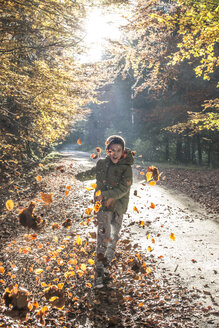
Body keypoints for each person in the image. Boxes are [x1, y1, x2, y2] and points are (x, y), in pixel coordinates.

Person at [76, 135, 134, 288]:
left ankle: (106, 266)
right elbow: (92, 172)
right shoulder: (102, 164)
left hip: (119, 208)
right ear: (107, 151)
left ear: (123, 152)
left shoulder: (127, 168)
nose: (115, 154)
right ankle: (99, 274)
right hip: (103, 208)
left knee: (113, 238)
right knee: (103, 238)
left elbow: (123, 189)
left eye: (118, 150)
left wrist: (106, 194)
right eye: (112, 150)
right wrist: (77, 176)